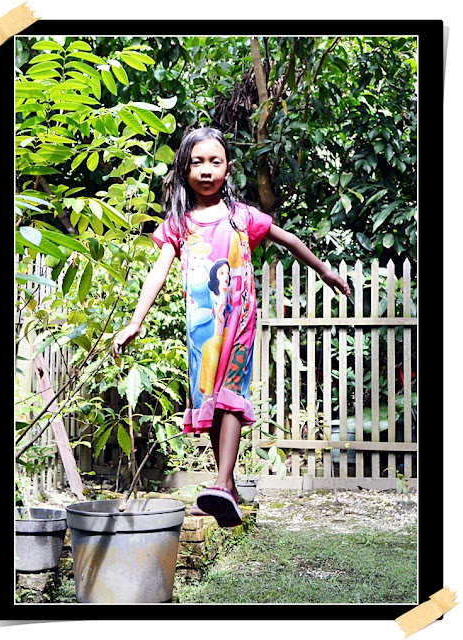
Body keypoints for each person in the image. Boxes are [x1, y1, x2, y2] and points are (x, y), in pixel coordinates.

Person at [112, 127, 350, 527]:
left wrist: (325, 272)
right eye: (197, 162)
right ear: (184, 169)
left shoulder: (242, 217)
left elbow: (288, 238)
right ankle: (230, 490)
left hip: (239, 318)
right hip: (201, 326)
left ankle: (221, 485)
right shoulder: (180, 224)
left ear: (228, 168)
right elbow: (157, 272)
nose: (206, 170)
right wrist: (136, 321)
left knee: (230, 394)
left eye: (215, 162)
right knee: (209, 398)